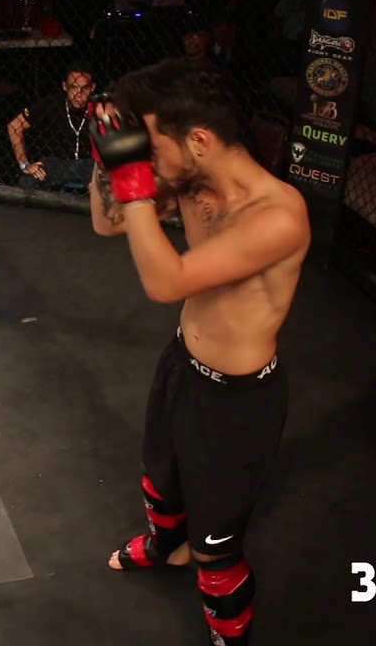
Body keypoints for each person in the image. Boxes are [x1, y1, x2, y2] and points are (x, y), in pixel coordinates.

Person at [87, 57, 311, 645]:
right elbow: (109, 224)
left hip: (238, 402)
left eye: (153, 145)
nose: (148, 158)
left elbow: (168, 282)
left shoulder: (279, 215)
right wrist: (106, 162)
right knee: (160, 483)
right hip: (181, 363)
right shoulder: (190, 182)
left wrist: (133, 180)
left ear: (200, 140)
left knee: (217, 547)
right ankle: (166, 547)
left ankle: (229, 633)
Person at [7, 61, 97, 190]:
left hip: (89, 164)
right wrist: (25, 165)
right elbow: (14, 125)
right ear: (65, 86)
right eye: (73, 87)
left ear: (92, 88)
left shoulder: (99, 108)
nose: (79, 93)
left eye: (85, 88)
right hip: (56, 164)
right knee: (28, 182)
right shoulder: (52, 103)